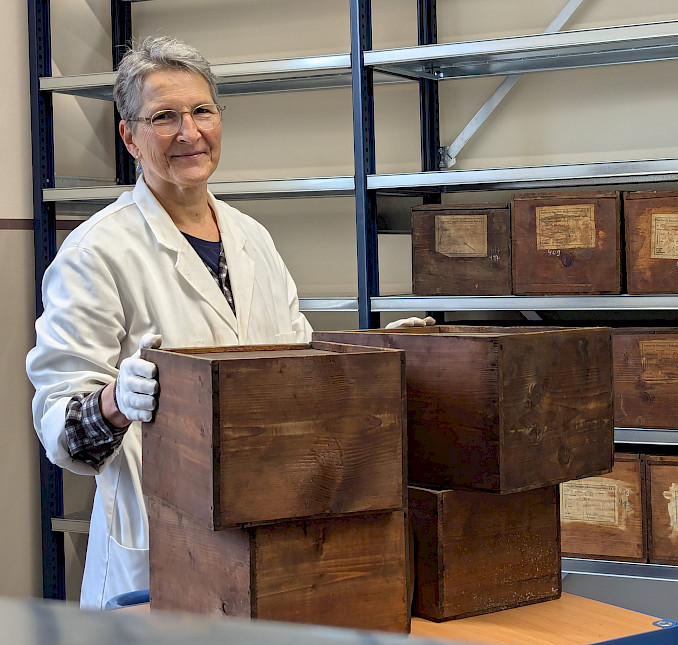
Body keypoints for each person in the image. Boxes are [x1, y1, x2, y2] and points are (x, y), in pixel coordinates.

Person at [26, 35, 430, 609]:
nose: (188, 133)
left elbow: (295, 373)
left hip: (270, 535)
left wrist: (373, 357)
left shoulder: (253, 240)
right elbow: (61, 436)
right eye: (164, 117)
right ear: (129, 137)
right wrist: (117, 400)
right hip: (159, 556)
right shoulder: (97, 252)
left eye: (201, 111)